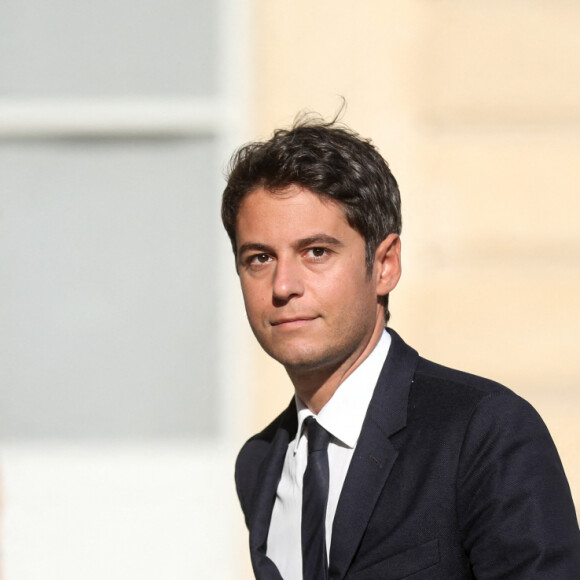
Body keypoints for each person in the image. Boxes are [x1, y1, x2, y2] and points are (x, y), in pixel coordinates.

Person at [221, 114, 580, 579]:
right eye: (260, 258)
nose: (283, 285)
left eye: (316, 252)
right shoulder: (260, 463)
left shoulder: (484, 431)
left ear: (386, 264)